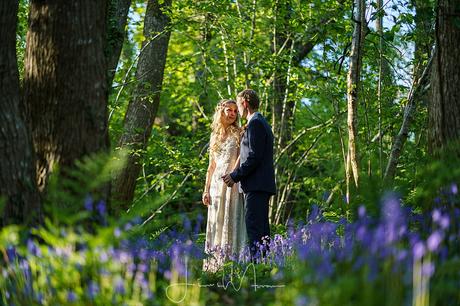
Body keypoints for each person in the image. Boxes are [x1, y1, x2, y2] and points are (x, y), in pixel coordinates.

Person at [222, 89, 276, 260]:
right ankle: (264, 267)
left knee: (255, 229)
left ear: (245, 103)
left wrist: (235, 176)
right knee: (261, 230)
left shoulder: (256, 123)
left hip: (257, 185)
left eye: (238, 105)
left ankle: (258, 271)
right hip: (259, 185)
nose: (237, 110)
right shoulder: (259, 122)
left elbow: (254, 156)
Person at [202, 99, 247, 272]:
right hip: (215, 186)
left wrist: (233, 175)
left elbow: (240, 158)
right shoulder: (214, 135)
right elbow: (211, 166)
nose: (233, 114)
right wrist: (206, 190)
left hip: (231, 184)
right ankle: (214, 266)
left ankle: (233, 265)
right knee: (217, 222)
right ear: (221, 112)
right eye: (229, 110)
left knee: (231, 219)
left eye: (235, 111)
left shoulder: (239, 132)